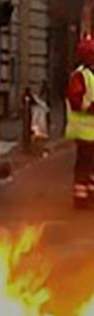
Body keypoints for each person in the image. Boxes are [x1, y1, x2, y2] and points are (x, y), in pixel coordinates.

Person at [67, 35, 94, 210]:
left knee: (90, 165)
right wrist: (91, 107)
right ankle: (81, 197)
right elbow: (76, 100)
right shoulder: (80, 76)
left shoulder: (89, 75)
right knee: (84, 164)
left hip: (91, 130)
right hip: (84, 130)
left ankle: (89, 193)